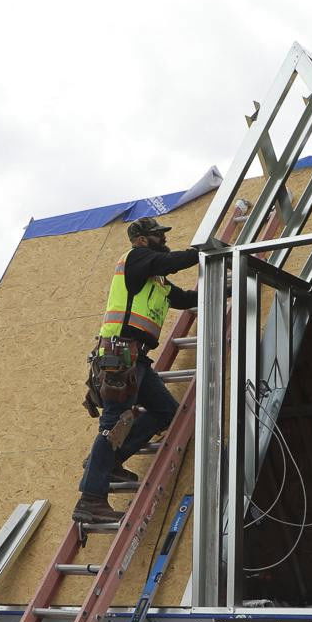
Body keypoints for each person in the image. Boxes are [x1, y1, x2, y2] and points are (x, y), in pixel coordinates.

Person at [74, 216, 201, 524]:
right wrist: (203, 253)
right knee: (113, 421)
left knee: (166, 411)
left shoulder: (154, 278)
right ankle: (91, 497)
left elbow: (183, 299)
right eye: (157, 235)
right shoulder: (136, 258)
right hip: (120, 352)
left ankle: (108, 460)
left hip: (135, 357)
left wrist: (225, 290)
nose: (162, 239)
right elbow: (170, 261)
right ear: (142, 240)